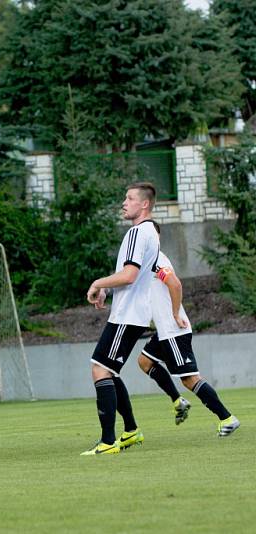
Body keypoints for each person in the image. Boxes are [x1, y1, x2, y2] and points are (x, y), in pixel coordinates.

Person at [83, 182, 160, 456]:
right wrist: (107, 287)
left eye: (129, 198)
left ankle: (107, 442)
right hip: (131, 313)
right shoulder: (148, 232)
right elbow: (131, 277)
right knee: (108, 370)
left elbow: (130, 275)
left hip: (129, 315)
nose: (124, 203)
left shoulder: (139, 232)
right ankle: (130, 431)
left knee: (99, 369)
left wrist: (97, 282)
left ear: (144, 204)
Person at [130, 250, 240, 436]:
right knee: (144, 361)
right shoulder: (146, 263)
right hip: (164, 333)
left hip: (173, 332)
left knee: (190, 380)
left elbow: (175, 284)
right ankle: (177, 401)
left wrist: (174, 314)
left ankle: (227, 419)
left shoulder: (156, 259)